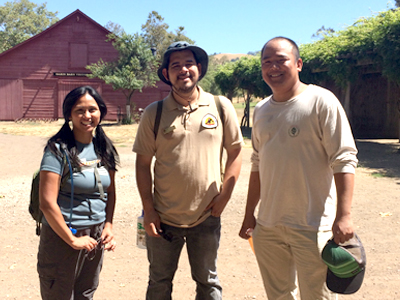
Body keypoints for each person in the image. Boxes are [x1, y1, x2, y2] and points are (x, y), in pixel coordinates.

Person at [239, 37, 358, 300]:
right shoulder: (261, 111)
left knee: (318, 296)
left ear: (298, 63)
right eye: (266, 62)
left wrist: (344, 216)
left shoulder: (321, 101)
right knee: (279, 295)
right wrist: (250, 213)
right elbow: (258, 164)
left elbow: (345, 158)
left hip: (313, 226)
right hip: (268, 227)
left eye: (281, 60)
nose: (273, 67)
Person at [133, 41, 243, 300]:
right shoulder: (154, 113)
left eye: (189, 63)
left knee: (208, 283)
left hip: (206, 216)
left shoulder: (220, 106)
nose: (183, 69)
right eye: (175, 65)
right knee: (159, 282)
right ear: (166, 74)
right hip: (163, 218)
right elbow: (142, 164)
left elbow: (236, 152)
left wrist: (225, 196)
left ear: (199, 68)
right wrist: (149, 210)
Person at [37, 86, 119, 300]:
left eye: (92, 109)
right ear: (69, 115)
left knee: (86, 293)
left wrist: (108, 224)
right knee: (59, 294)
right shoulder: (57, 150)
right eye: (79, 110)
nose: (87, 116)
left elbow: (110, 190)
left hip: (95, 234)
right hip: (63, 234)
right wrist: (72, 240)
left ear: (100, 112)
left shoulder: (104, 148)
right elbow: (46, 203)